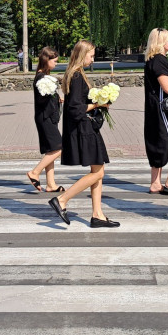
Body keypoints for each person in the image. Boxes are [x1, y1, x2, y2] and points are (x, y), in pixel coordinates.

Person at [47, 40, 120, 228]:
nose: (93, 59)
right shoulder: (77, 76)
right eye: (91, 55)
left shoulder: (75, 74)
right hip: (84, 129)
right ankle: (62, 200)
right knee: (98, 172)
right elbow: (74, 109)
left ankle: (97, 215)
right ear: (82, 54)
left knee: (98, 171)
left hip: (84, 128)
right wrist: (98, 104)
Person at [142, 28, 168, 197]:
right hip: (165, 109)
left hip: (157, 108)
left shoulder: (155, 60)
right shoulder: (159, 61)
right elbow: (167, 87)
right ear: (160, 42)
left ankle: (155, 183)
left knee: (159, 142)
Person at [25, 46, 63, 193]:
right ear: (47, 60)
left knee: (50, 149)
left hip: (47, 117)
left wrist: (56, 98)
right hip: (45, 118)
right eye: (54, 61)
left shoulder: (43, 75)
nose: (56, 64)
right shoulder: (41, 78)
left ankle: (51, 184)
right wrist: (50, 96)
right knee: (58, 147)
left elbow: (45, 98)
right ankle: (35, 172)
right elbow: (42, 100)